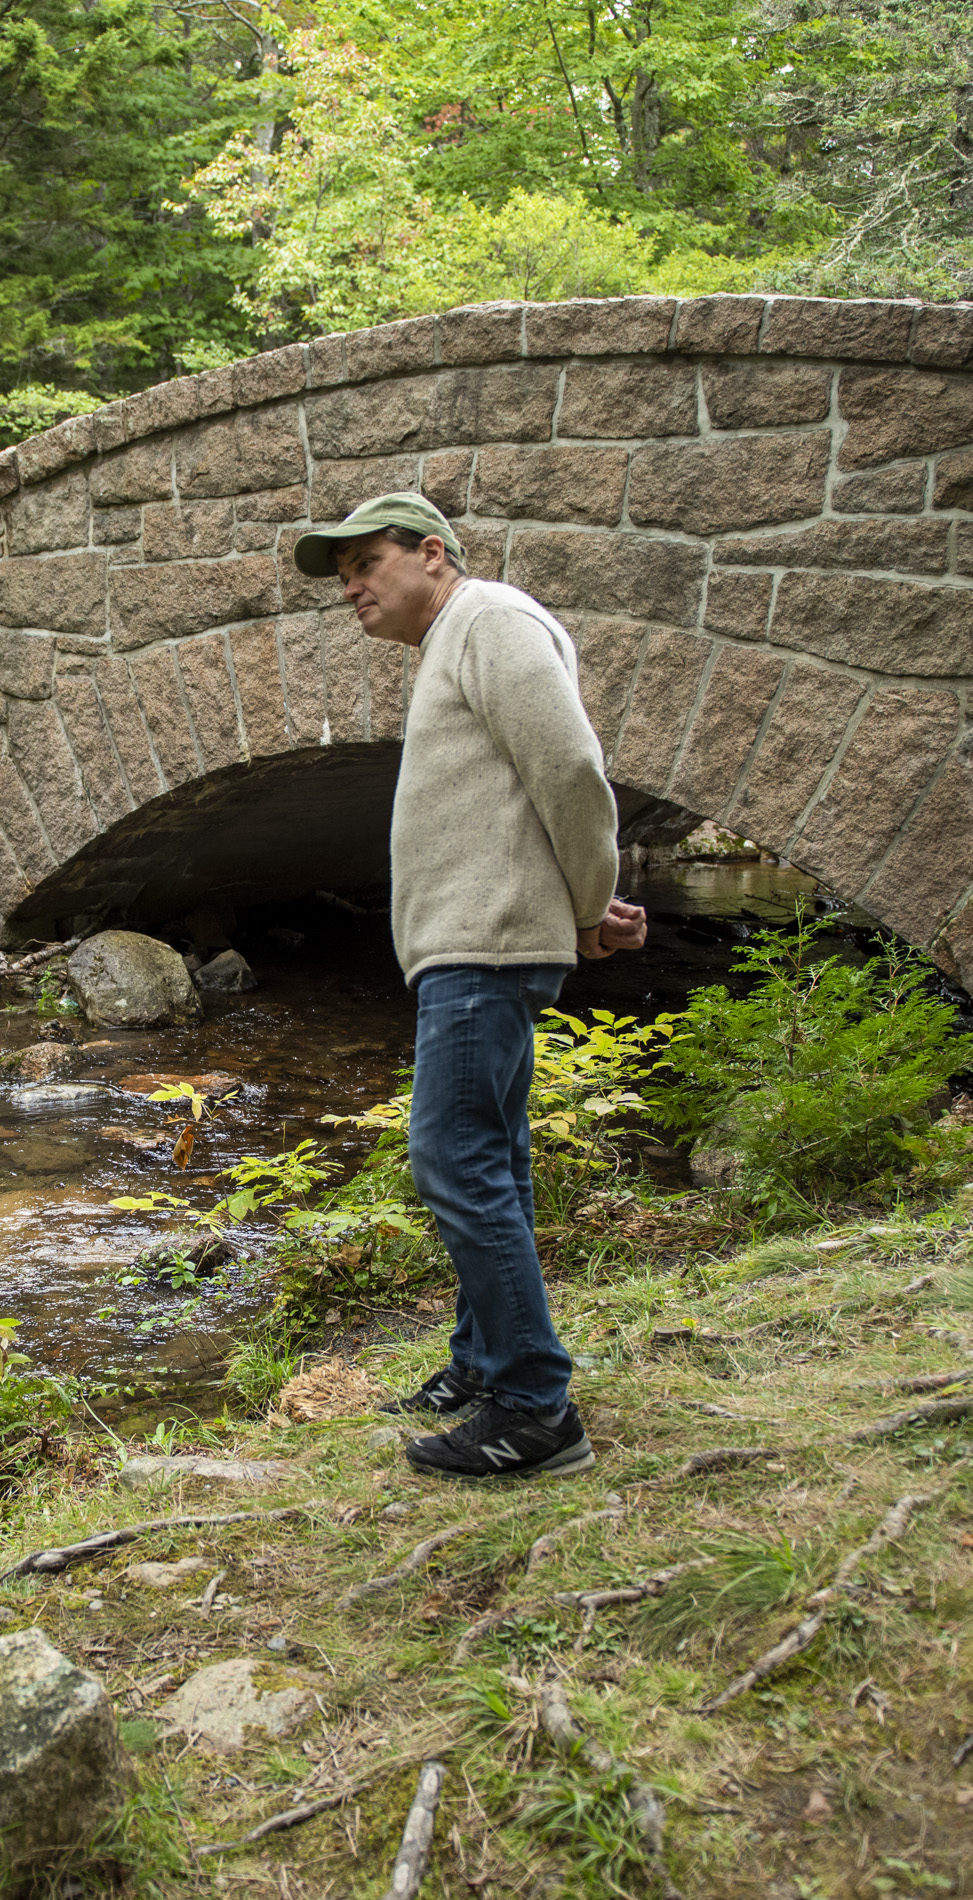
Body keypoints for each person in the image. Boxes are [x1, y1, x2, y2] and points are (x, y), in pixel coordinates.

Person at [290, 493, 647, 1480]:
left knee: (453, 1157)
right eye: (343, 573)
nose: (353, 586)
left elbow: (570, 767)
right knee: (493, 1158)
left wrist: (589, 899)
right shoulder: (454, 637)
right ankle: (483, 1365)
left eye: (367, 562)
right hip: (474, 944)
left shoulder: (486, 618)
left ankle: (536, 1408)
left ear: (432, 554)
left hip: (484, 949)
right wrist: (582, 900)